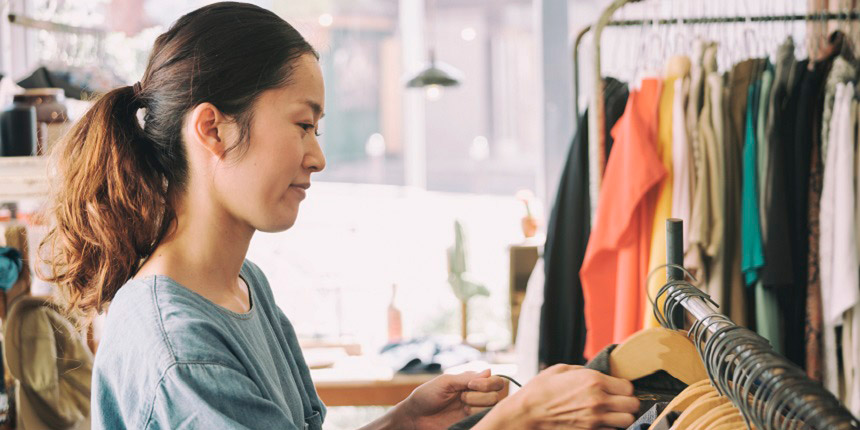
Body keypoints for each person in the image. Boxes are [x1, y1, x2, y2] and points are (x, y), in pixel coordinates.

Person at [41, 2, 640, 429]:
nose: (318, 156)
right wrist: (516, 420)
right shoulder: (182, 348)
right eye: (303, 124)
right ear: (212, 128)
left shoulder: (245, 288)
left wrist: (406, 421)